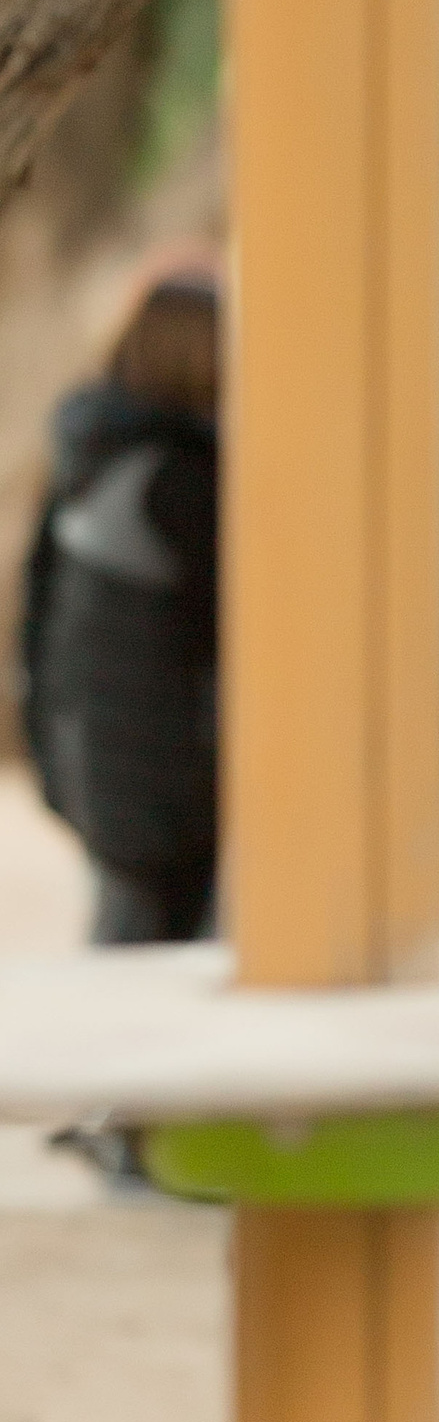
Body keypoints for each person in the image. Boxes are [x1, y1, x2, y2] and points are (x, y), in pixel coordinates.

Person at [19, 272, 221, 947]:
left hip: (88, 748)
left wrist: (46, 742)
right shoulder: (185, 477)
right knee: (155, 959)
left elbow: (34, 606)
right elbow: (225, 630)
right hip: (167, 774)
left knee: (125, 938)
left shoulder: (86, 456)